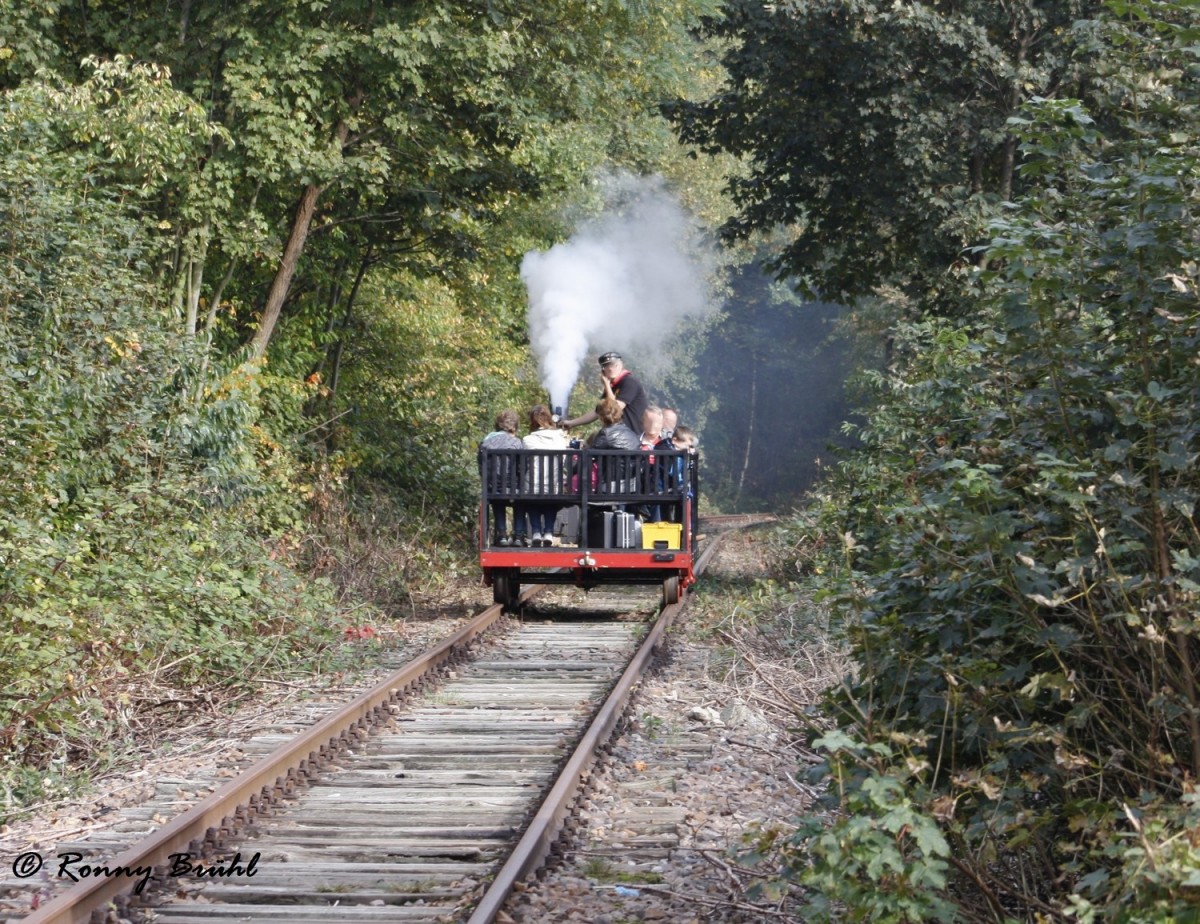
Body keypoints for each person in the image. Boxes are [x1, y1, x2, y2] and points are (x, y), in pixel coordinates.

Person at [562, 352, 648, 436]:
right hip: (618, 435)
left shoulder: (630, 382)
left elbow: (613, 408)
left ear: (621, 365)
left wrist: (606, 384)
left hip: (634, 435)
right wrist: (571, 423)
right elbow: (598, 412)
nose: (610, 369)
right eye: (606, 365)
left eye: (614, 365)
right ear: (603, 370)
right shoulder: (612, 386)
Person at [522, 404, 569, 547]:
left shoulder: (527, 440)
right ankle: (548, 532)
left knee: (531, 499)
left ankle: (536, 532)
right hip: (554, 486)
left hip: (533, 486)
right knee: (551, 500)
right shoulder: (560, 439)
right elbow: (564, 461)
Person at [478, 410, 523, 546]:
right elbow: (522, 467)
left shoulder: (485, 443)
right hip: (514, 487)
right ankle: (519, 535)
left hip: (493, 487)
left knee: (497, 500)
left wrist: (488, 482)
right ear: (514, 427)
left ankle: (502, 535)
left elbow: (481, 467)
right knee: (521, 501)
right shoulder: (517, 443)